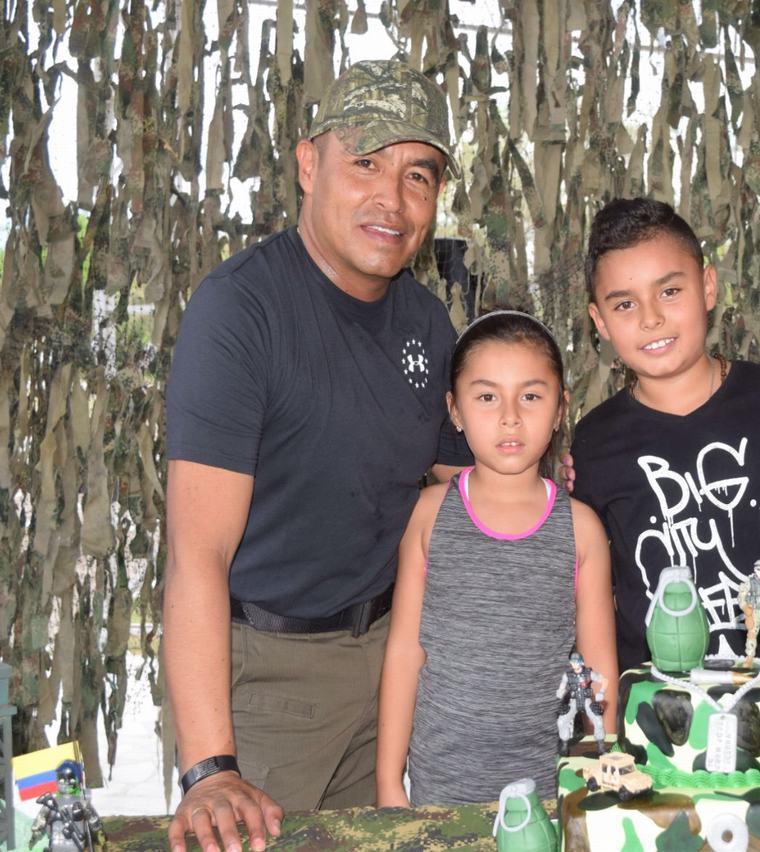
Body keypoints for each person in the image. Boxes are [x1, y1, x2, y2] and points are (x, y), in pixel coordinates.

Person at [163, 60, 472, 852]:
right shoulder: (240, 311)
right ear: (309, 164)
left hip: (392, 666)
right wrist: (210, 770)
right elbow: (197, 552)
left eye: (417, 175)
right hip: (268, 684)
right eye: (364, 163)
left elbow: (459, 493)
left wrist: (545, 485)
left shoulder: (428, 325)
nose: (391, 201)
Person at [569, 198, 760, 709]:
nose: (651, 318)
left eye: (669, 290)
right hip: (658, 715)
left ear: (708, 286)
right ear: (599, 321)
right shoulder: (594, 442)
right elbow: (592, 589)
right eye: (624, 305)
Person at [375, 310, 617, 806]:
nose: (510, 416)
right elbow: (405, 653)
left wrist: (596, 775)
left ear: (559, 409)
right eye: (487, 397)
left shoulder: (583, 529)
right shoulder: (428, 514)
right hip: (441, 784)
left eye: (530, 396)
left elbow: (598, 670)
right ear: (455, 410)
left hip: (552, 785)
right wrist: (386, 781)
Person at [556, 651, 609, 756]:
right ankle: (564, 745)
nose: (574, 664)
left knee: (598, 721)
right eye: (572, 662)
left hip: (586, 701)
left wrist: (602, 692)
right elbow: (561, 687)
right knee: (561, 721)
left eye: (576, 662)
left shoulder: (589, 674)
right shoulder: (567, 676)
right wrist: (560, 692)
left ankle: (601, 746)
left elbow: (605, 681)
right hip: (574, 701)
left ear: (581, 662)